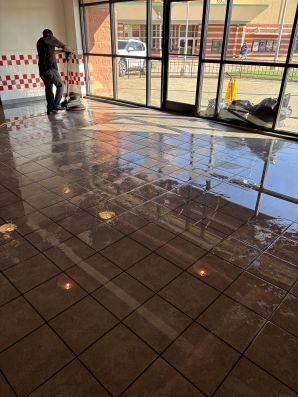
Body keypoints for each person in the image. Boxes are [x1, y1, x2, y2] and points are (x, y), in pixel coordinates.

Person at [37, 29, 73, 114]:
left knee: (48, 89)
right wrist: (72, 51)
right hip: (51, 69)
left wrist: (61, 51)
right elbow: (64, 46)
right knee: (60, 85)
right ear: (51, 35)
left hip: (42, 71)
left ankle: (50, 108)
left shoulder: (39, 42)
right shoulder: (50, 39)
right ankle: (56, 105)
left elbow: (51, 52)